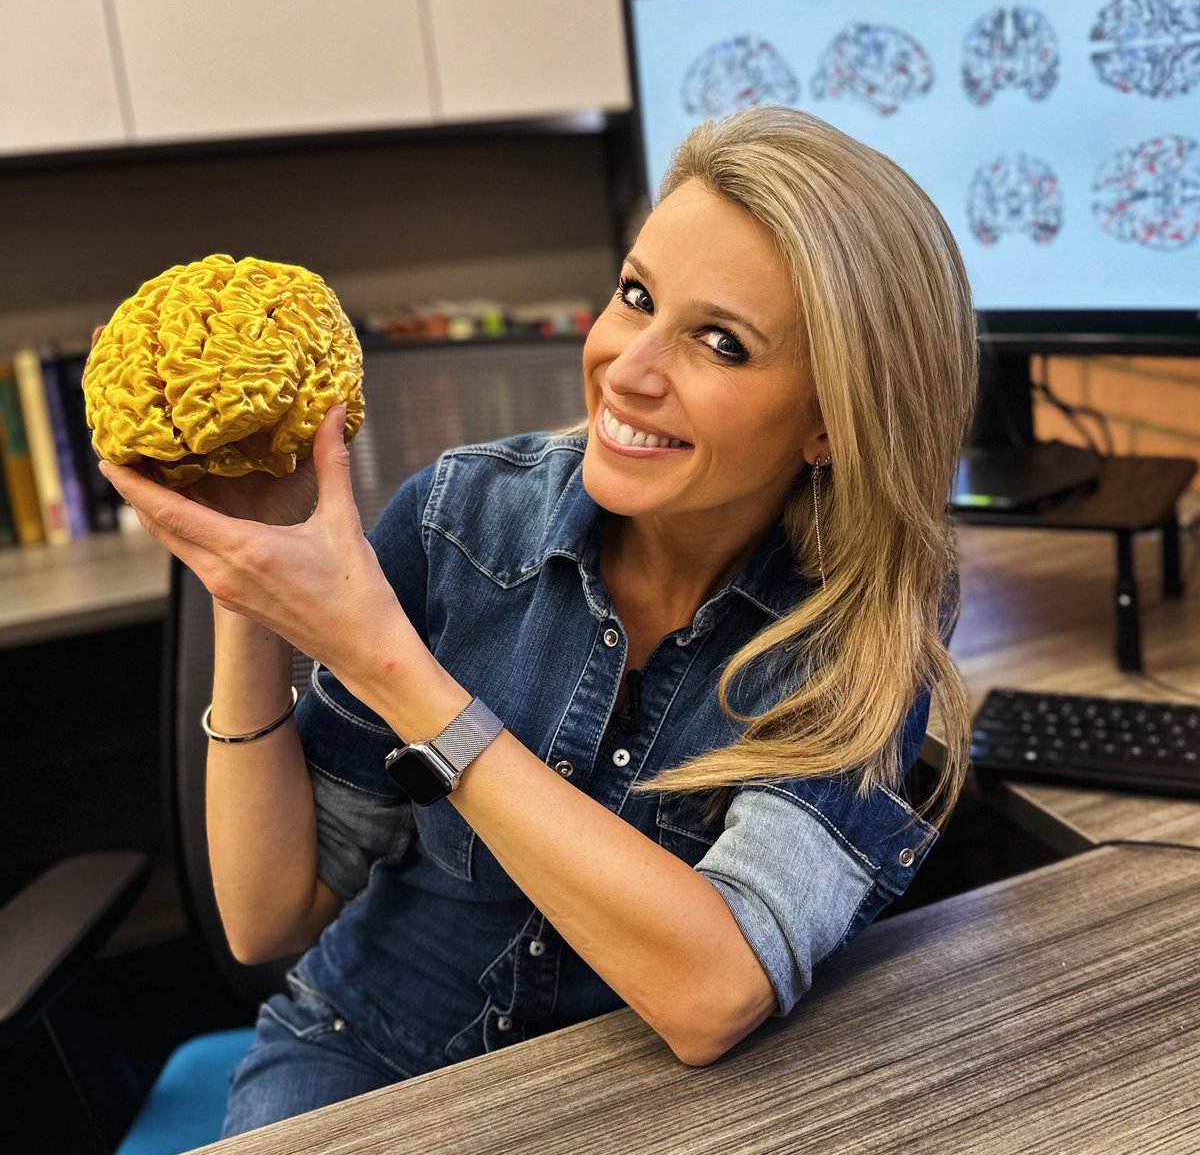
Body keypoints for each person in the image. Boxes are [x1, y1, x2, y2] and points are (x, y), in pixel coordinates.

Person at [100, 105, 977, 1137]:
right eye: (636, 296)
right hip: (369, 1058)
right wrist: (246, 574)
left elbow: (712, 995)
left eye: (719, 342)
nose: (628, 367)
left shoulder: (856, 644)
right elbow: (267, 915)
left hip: (634, 1106)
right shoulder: (456, 518)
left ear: (832, 420)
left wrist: (389, 664)